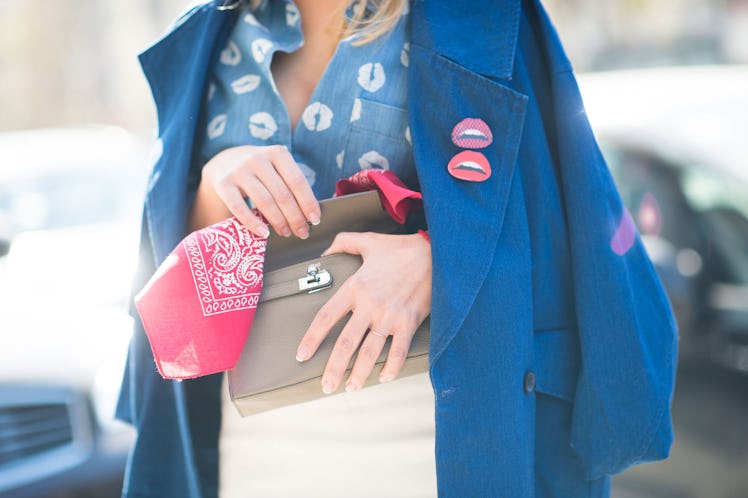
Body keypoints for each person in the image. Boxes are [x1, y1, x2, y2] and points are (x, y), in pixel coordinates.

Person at [116, 0, 678, 497]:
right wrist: (218, 184)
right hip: (250, 444)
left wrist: (439, 260)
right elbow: (170, 256)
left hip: (436, 436)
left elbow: (559, 218)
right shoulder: (215, 32)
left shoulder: (482, 15)